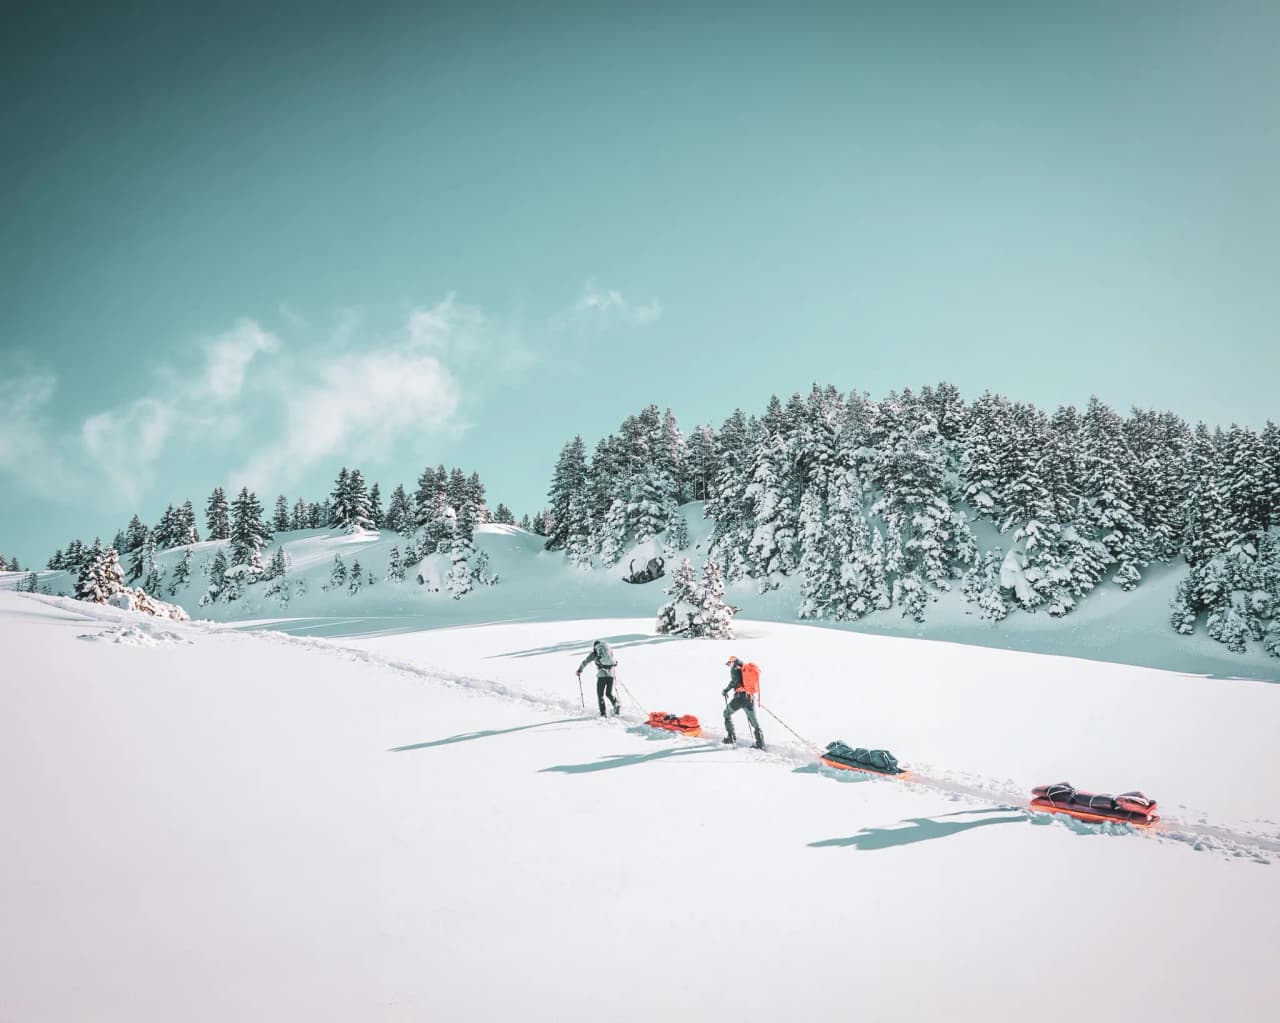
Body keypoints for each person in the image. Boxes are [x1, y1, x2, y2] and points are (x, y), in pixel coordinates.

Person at [722, 655, 764, 749]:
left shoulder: (735, 669)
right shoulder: (744, 668)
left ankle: (731, 737)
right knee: (754, 721)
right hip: (749, 697)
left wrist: (725, 690)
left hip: (739, 698)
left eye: (729, 663)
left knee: (726, 714)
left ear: (732, 662)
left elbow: (734, 682)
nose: (729, 666)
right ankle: (760, 743)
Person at [577, 639, 621, 717]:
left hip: (602, 677)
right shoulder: (608, 652)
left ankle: (603, 714)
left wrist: (580, 670)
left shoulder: (594, 654)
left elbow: (585, 662)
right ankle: (616, 703)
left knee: (600, 695)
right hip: (611, 675)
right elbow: (614, 662)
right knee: (609, 693)